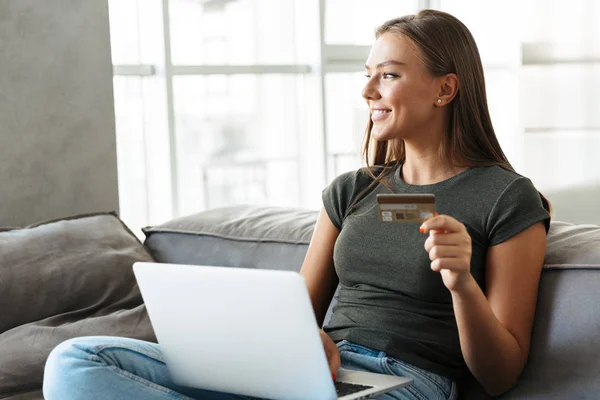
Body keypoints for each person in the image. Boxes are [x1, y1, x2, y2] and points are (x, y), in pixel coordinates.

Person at [43, 9, 550, 400]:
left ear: (445, 89)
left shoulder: (505, 198)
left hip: (406, 382)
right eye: (367, 73)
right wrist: (298, 347)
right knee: (75, 362)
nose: (368, 89)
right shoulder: (354, 190)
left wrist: (462, 284)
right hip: (313, 373)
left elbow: (500, 374)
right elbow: (299, 314)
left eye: (389, 75)